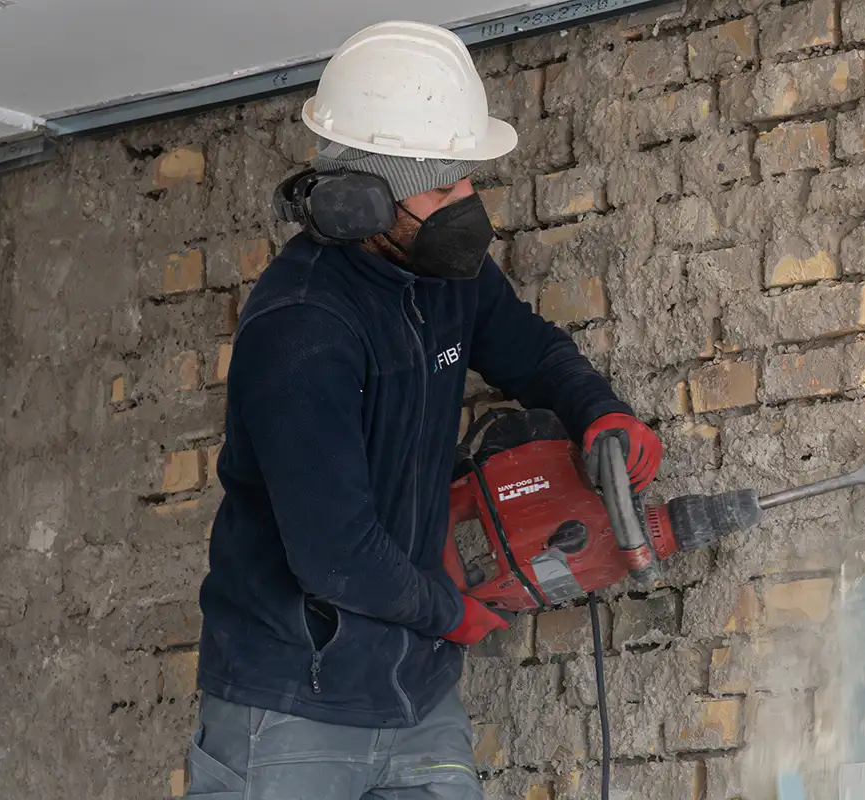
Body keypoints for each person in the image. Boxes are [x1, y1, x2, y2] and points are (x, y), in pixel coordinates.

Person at [183, 19, 663, 800]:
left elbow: (530, 350)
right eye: (442, 188)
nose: (466, 206)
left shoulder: (449, 276)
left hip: (417, 700)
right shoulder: (303, 330)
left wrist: (597, 412)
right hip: (290, 704)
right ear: (358, 204)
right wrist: (451, 612)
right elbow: (336, 554)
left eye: (467, 180)